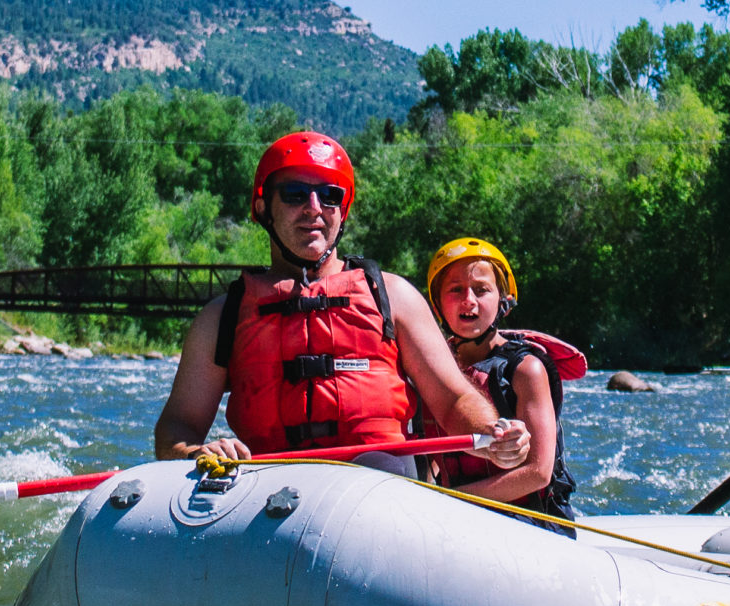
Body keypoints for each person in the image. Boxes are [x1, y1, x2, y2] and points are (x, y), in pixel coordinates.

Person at [153, 132, 529, 476]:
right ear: (264, 207)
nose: (314, 207)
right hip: (266, 488)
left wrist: (491, 432)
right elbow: (178, 427)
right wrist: (196, 453)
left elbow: (453, 398)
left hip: (375, 485)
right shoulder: (222, 317)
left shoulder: (393, 296)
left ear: (342, 210)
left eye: (330, 195)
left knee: (381, 463)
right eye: (295, 194)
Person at [421, 236, 588, 531]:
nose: (468, 300)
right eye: (455, 290)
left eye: (482, 290)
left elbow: (538, 472)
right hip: (454, 515)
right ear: (437, 305)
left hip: (528, 523)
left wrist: (452, 499)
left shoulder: (526, 370)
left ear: (504, 301)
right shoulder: (433, 368)